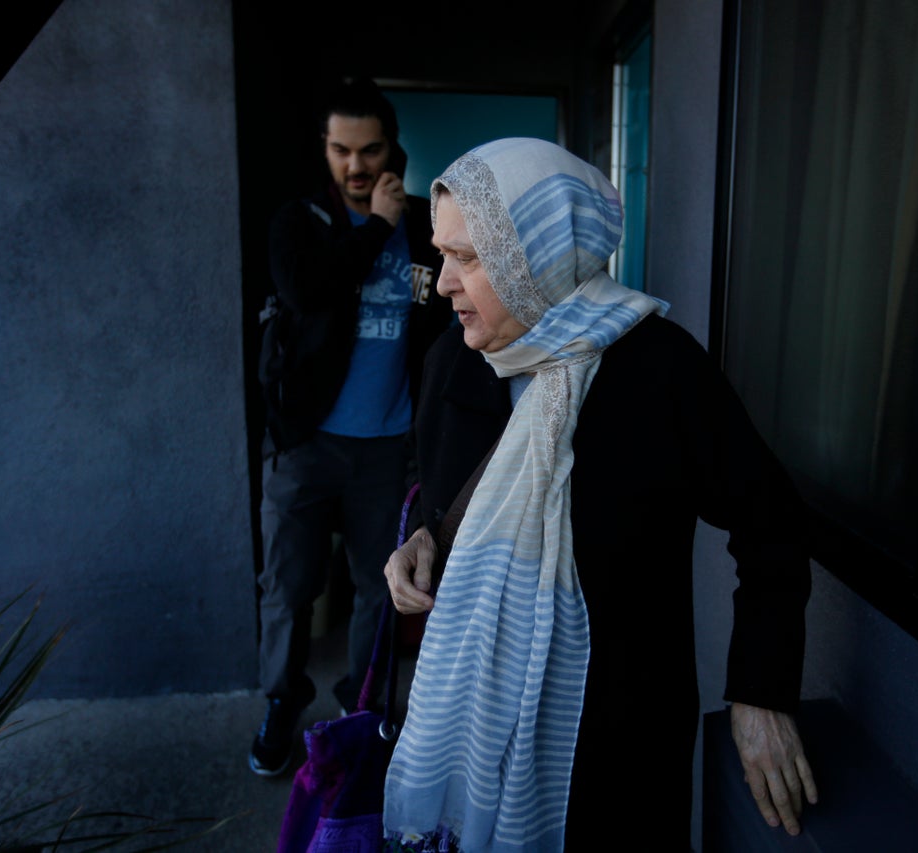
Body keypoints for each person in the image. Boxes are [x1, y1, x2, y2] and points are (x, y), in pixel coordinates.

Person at [381, 137, 818, 850]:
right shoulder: (451, 362)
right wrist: (422, 539)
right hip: (476, 731)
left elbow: (773, 522)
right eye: (441, 253)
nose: (443, 282)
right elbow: (434, 481)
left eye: (469, 256)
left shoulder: (659, 371)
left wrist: (760, 689)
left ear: (538, 253)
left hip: (618, 748)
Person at [250, 78, 451, 777]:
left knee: (379, 584)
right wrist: (372, 229)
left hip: (389, 446)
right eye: (342, 150)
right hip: (306, 442)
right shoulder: (300, 222)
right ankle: (280, 701)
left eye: (369, 149)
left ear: (392, 147)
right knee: (289, 584)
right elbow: (308, 290)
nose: (357, 165)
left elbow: (450, 314)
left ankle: (359, 708)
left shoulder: (425, 225)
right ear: (325, 150)